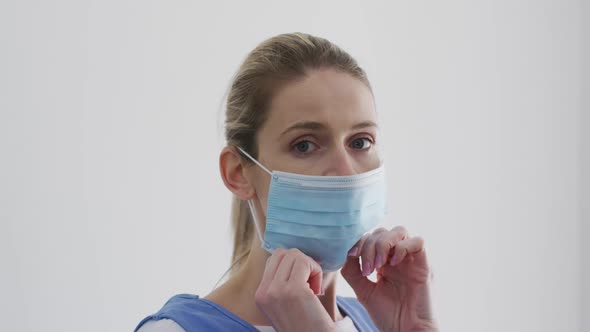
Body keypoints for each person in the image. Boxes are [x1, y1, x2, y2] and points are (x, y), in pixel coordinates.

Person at [135, 32, 438, 332]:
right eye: (304, 145)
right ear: (238, 173)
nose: (346, 171)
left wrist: (415, 329)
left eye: (360, 142)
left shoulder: (379, 321)